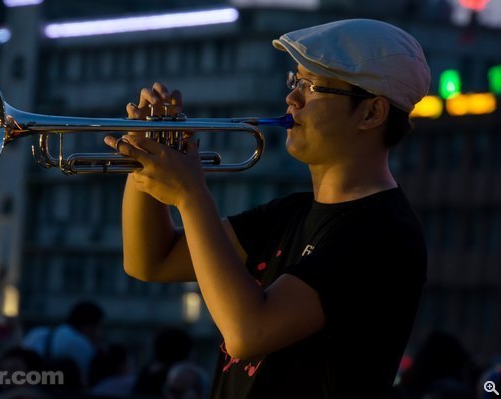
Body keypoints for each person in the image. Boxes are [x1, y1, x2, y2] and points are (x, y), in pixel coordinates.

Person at [105, 18, 430, 398]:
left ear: (371, 114)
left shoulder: (383, 234)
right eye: (296, 81)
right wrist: (147, 149)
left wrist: (191, 197)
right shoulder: (290, 212)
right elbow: (151, 260)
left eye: (312, 86)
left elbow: (248, 332)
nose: (293, 99)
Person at [22, 300, 104, 383]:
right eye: (99, 327)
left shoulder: (37, 333)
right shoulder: (82, 346)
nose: (99, 333)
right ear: (89, 327)